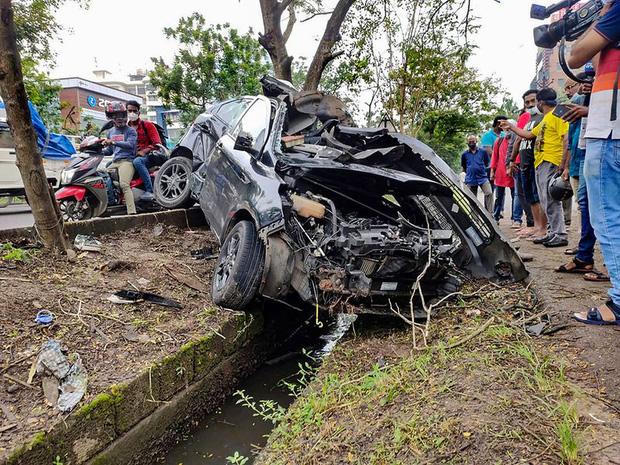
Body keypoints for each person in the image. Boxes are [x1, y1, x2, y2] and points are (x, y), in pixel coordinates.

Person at [568, 0, 620, 325]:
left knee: (608, 217)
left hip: (611, 129)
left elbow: (576, 54)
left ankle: (619, 303)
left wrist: (600, 16)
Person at [501, 88, 569, 248]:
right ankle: (552, 232)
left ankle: (560, 234)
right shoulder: (546, 118)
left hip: (551, 160)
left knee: (551, 199)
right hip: (540, 162)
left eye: (536, 101)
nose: (534, 105)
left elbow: (566, 139)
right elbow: (529, 134)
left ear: (541, 102)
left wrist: (564, 164)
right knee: (545, 199)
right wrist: (511, 126)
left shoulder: (558, 115)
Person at [508, 90, 543, 236]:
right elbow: (518, 140)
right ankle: (536, 226)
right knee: (530, 197)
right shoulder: (528, 119)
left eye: (533, 101)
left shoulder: (544, 118)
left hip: (537, 162)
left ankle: (542, 228)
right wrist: (512, 160)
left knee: (538, 196)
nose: (530, 104)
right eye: (527, 102)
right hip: (524, 162)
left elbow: (528, 136)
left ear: (540, 100)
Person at [562, 75, 588, 254]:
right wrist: (566, 166)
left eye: (570, 87)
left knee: (588, 203)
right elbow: (570, 142)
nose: (568, 92)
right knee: (582, 204)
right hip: (576, 163)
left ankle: (586, 247)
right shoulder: (574, 114)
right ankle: (583, 245)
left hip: (591, 160)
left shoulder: (590, 102)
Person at [102, 101, 137, 215]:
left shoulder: (131, 131)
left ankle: (131, 212)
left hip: (127, 161)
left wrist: (113, 142)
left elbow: (130, 145)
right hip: (115, 162)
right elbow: (110, 151)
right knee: (100, 180)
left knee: (124, 184)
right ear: (111, 117)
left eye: (121, 115)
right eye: (116, 116)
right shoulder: (110, 132)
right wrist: (98, 150)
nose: (119, 118)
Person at [127, 100, 165, 202]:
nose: (132, 113)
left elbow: (157, 143)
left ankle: (150, 190)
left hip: (149, 156)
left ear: (139, 112)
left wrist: (144, 151)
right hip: (131, 156)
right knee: (110, 165)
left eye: (134, 111)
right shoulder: (126, 129)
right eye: (129, 111)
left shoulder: (147, 125)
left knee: (137, 161)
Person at [490, 126, 517, 225]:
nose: (508, 132)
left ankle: (515, 218)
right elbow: (494, 156)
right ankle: (496, 216)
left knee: (515, 196)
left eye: (510, 129)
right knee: (499, 197)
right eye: (507, 130)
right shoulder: (499, 141)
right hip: (500, 173)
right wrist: (492, 171)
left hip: (513, 172)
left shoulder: (517, 140)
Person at [461, 135, 493, 212]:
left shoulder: (483, 152)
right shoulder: (464, 154)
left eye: (473, 141)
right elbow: (464, 166)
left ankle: (489, 214)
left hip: (482, 177)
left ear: (476, 142)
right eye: (470, 142)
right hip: (470, 179)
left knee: (489, 193)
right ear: (467, 143)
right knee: (472, 199)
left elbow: (487, 163)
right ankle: (475, 216)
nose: (471, 143)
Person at [481, 116, 508, 191]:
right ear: (498, 124)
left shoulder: (504, 134)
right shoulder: (487, 135)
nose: (506, 125)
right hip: (491, 166)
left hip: (502, 165)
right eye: (504, 123)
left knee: (501, 188)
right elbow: (489, 151)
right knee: (490, 190)